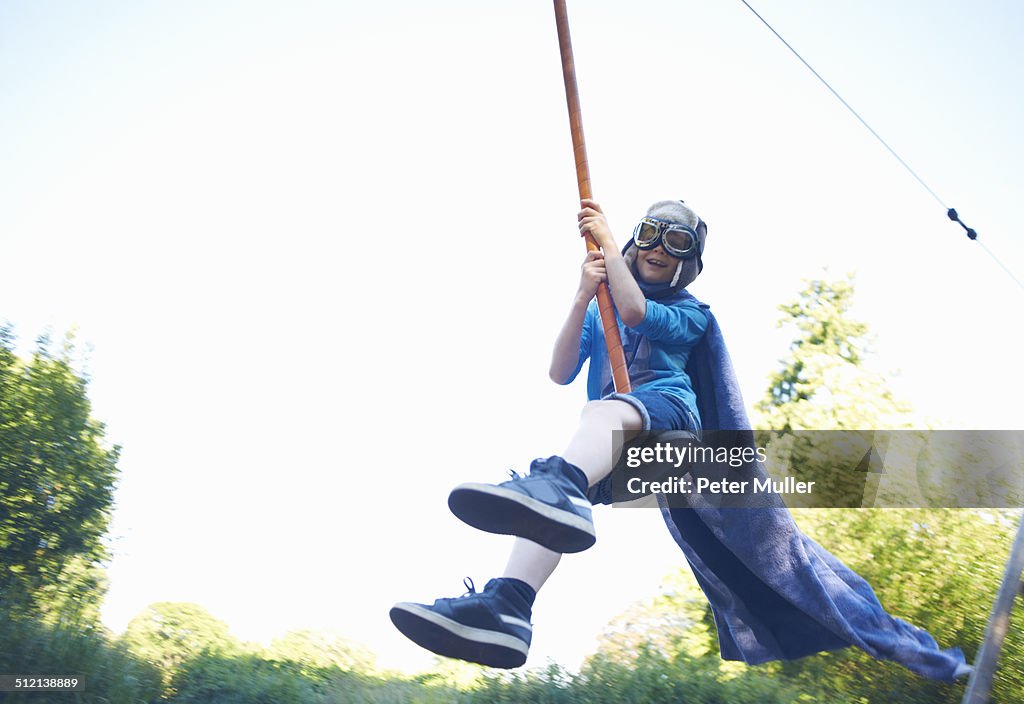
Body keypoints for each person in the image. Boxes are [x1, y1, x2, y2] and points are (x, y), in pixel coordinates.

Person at [389, 197, 711, 668]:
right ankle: (508, 607)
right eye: (648, 236)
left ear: (688, 262)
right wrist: (583, 295)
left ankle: (560, 484)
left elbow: (638, 311)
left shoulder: (691, 312)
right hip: (617, 449)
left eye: (675, 241)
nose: (658, 248)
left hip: (669, 429)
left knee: (598, 418)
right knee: (546, 515)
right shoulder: (604, 307)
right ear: (634, 243)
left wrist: (606, 240)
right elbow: (560, 371)